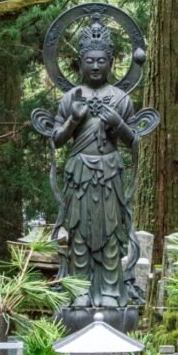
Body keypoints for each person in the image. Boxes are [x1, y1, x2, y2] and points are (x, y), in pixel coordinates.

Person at [51, 21, 139, 308]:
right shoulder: (70, 98)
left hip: (110, 171)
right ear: (80, 63)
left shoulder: (121, 98)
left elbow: (134, 141)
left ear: (112, 62)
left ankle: (112, 291)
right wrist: (74, 119)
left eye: (102, 60)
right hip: (79, 173)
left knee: (111, 230)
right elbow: (56, 140)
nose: (96, 66)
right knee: (79, 231)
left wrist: (118, 122)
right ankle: (80, 291)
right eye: (90, 60)